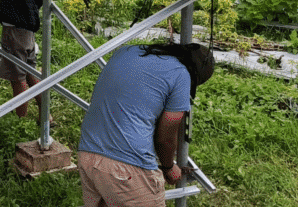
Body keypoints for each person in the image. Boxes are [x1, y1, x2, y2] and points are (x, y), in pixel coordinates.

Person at [78, 43, 215, 207]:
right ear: (196, 75)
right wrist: (169, 167)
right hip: (126, 168)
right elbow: (166, 138)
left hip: (87, 154)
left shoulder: (128, 51)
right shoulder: (181, 74)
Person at [0, 0, 45, 118]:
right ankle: (46, 114)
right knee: (30, 72)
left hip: (15, 25)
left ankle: (20, 120)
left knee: (17, 77)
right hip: (27, 22)